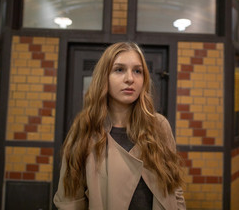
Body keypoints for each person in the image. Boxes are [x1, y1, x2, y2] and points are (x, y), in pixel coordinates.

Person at [54, 42, 186, 209]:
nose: (130, 78)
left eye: (137, 71)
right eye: (119, 70)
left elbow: (174, 189)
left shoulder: (159, 126)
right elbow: (69, 200)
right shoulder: (86, 129)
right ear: (104, 77)